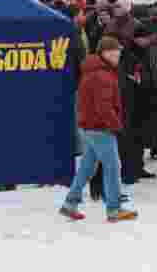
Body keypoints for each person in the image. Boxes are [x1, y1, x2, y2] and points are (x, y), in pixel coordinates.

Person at [59, 36, 138, 223]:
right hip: (99, 127)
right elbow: (104, 107)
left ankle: (70, 203)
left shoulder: (94, 70)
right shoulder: (102, 75)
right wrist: (117, 126)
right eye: (114, 51)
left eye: (119, 50)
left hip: (89, 126)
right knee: (113, 166)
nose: (118, 54)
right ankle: (114, 209)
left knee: (87, 167)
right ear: (105, 52)